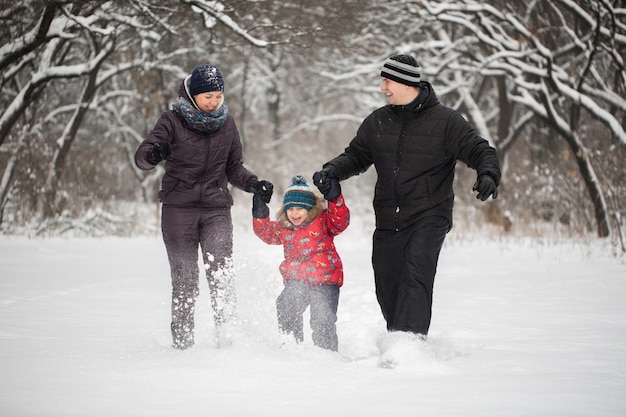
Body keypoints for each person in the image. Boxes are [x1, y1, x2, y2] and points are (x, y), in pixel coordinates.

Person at [312, 54, 501, 340]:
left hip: (429, 214)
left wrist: (488, 174)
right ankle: (399, 338)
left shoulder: (446, 122)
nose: (383, 88)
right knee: (387, 283)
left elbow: (480, 150)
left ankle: (409, 345)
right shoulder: (378, 122)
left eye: (387, 81)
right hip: (388, 218)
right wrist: (332, 170)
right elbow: (357, 156)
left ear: (405, 82)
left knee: (415, 275)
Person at [134, 64, 273, 349]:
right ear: (193, 95)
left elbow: (234, 168)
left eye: (218, 95)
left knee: (221, 274)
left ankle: (228, 339)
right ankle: (183, 343)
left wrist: (253, 184)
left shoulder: (228, 124)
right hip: (178, 210)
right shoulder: (171, 121)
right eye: (207, 96)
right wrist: (154, 153)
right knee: (185, 279)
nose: (213, 101)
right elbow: (141, 158)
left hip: (216, 210)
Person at [251, 174, 350, 351]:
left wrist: (334, 198)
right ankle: (291, 348)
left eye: (300, 208)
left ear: (310, 208)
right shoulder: (284, 226)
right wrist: (259, 208)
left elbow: (340, 220)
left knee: (322, 318)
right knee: (286, 306)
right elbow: (265, 232)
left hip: (325, 280)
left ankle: (327, 354)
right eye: (291, 209)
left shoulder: (323, 221)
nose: (295, 213)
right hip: (297, 280)